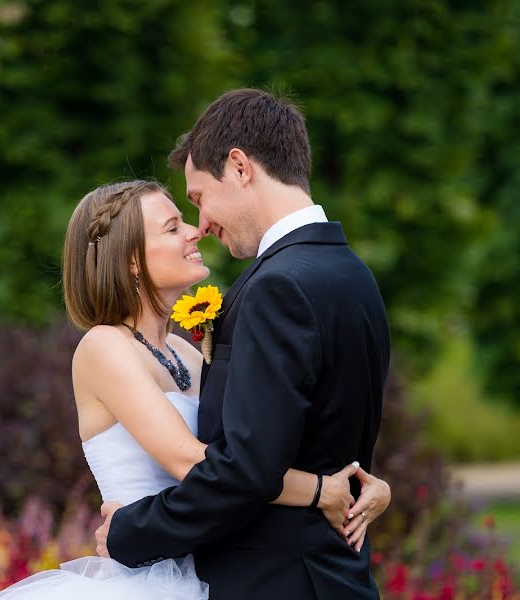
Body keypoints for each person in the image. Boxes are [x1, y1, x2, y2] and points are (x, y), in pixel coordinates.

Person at [0, 178, 390, 599]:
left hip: (205, 568)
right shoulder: (103, 347)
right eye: (172, 227)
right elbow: (192, 461)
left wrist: (364, 486)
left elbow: (253, 447)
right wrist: (322, 490)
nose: (195, 231)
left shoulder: (185, 349)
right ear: (131, 261)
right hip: (145, 577)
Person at [96, 89, 392, 599]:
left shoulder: (277, 287)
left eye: (199, 198)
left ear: (239, 167)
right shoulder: (353, 274)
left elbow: (247, 471)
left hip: (275, 581)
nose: (203, 224)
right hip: (336, 575)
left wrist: (129, 532)